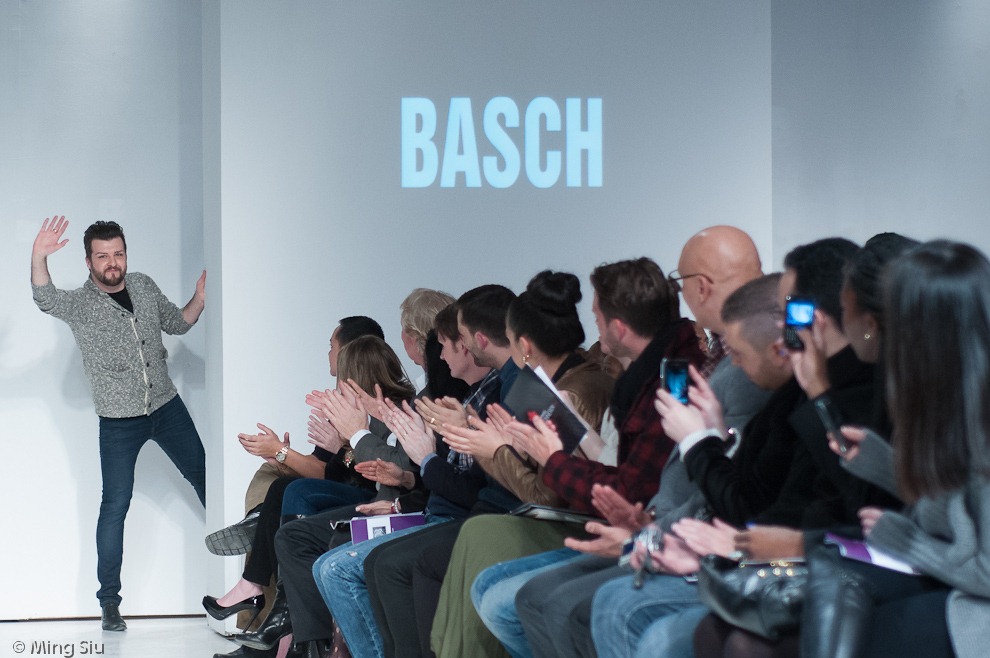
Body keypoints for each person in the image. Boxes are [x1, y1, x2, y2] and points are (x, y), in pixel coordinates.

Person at [798, 240, 990, 658]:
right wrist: (887, 466)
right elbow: (958, 506)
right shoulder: (951, 400)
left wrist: (908, 543)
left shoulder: (974, 416)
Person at [30, 216, 207, 631]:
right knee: (114, 506)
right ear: (88, 261)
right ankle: (109, 602)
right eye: (103, 256)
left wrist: (199, 298)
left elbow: (177, 323)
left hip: (166, 407)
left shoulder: (143, 285)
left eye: (118, 254)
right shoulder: (80, 304)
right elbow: (45, 298)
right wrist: (39, 255)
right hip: (118, 422)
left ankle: (248, 571)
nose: (113, 262)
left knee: (207, 478)